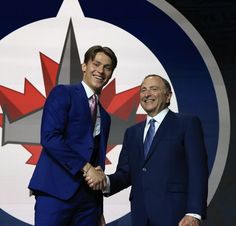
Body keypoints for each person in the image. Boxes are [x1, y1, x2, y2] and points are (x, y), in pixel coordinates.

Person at [86, 74, 208, 226]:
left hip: (176, 215)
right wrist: (105, 181)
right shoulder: (132, 133)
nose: (147, 94)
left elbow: (198, 170)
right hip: (140, 215)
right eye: (143, 90)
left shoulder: (187, 124)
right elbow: (126, 173)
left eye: (153, 89)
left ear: (168, 96)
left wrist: (193, 213)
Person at [28, 45, 117, 226]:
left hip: (88, 202)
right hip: (55, 192)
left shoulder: (105, 117)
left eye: (107, 68)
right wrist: (85, 167)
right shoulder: (63, 93)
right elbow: (50, 137)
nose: (100, 71)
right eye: (96, 64)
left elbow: (98, 164)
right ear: (84, 66)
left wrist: (98, 210)